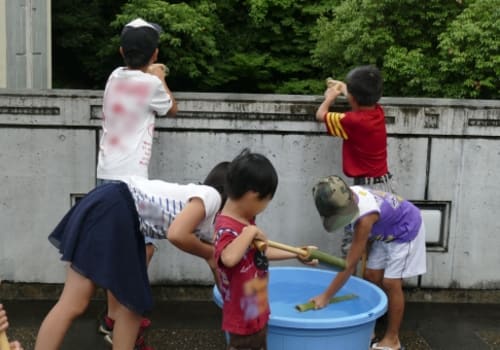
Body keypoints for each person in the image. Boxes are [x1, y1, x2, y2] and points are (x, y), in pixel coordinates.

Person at [34, 162, 229, 350]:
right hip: (119, 208)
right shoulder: (211, 197)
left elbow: (216, 261)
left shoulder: (207, 216)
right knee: (131, 304)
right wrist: (210, 254)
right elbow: (177, 235)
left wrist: (229, 295)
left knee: (80, 303)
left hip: (111, 204)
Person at [95, 17, 178, 346]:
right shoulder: (151, 86)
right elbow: (172, 108)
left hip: (107, 176)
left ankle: (113, 316)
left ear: (120, 51)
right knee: (140, 249)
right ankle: (123, 321)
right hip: (131, 184)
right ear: (155, 54)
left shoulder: (114, 77)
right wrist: (159, 76)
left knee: (126, 249)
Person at [309, 175, 426, 350]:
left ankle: (392, 339)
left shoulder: (364, 219)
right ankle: (371, 323)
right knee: (371, 275)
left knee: (391, 282)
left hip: (404, 229)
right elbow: (352, 255)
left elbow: (348, 265)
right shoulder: (349, 195)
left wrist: (326, 296)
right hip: (382, 232)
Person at [214, 149, 312, 350]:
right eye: (266, 200)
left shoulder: (246, 221)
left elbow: (261, 252)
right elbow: (229, 258)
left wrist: (296, 253)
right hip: (242, 317)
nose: (265, 206)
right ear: (252, 195)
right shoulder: (226, 226)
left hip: (256, 307)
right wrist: (249, 232)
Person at [315, 65, 396, 257]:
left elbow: (320, 115)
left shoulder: (352, 121)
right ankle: (372, 285)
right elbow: (359, 96)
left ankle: (348, 282)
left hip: (364, 190)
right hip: (385, 186)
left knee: (352, 245)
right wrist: (342, 87)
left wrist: (330, 97)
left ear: (352, 98)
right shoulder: (378, 112)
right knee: (378, 246)